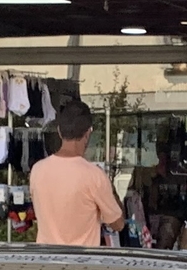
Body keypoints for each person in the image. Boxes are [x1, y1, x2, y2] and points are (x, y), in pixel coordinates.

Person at [28, 99, 123, 248]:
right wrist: (111, 191)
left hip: (46, 261)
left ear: (59, 131)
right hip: (81, 264)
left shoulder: (37, 170)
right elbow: (118, 224)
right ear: (88, 133)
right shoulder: (94, 176)